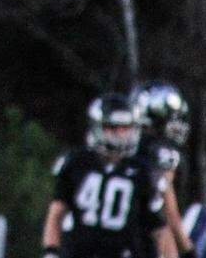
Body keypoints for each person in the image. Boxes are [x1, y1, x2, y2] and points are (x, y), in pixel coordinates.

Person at [42, 93, 178, 258]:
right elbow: (56, 213)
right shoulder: (77, 163)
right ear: (98, 127)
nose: (120, 135)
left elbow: (159, 229)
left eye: (125, 128)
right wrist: (51, 252)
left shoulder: (142, 171)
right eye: (113, 128)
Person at [132, 82, 194, 258]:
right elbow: (167, 206)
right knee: (162, 229)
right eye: (173, 118)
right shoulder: (161, 152)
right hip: (142, 230)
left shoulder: (125, 146)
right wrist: (188, 248)